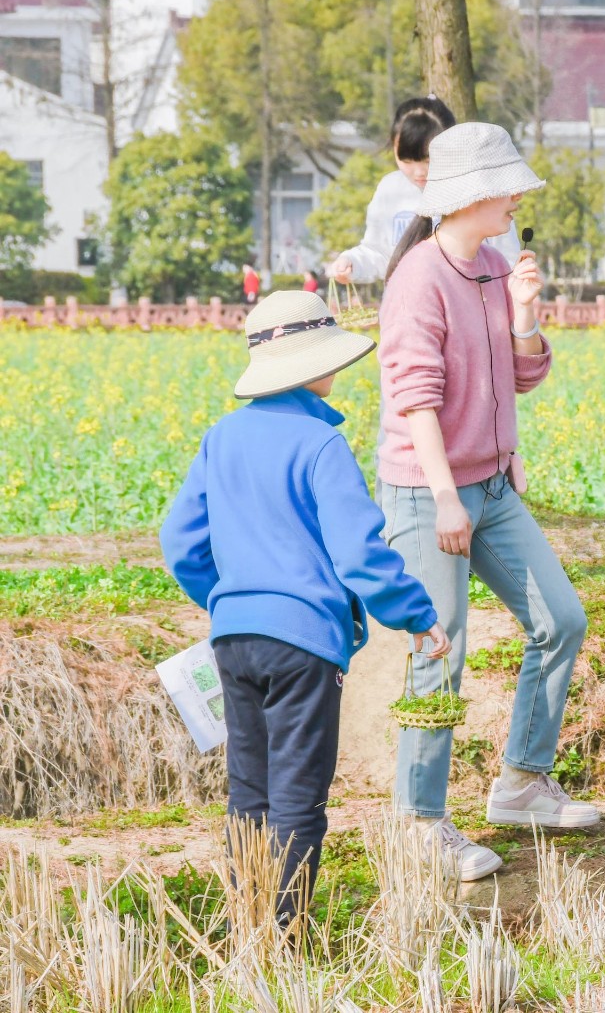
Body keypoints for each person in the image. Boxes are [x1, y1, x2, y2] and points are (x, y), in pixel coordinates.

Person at [159, 290, 449, 924]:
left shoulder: (221, 437)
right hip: (303, 646)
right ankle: (284, 931)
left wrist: (230, 598)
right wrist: (417, 614)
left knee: (250, 789)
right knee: (296, 796)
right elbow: (359, 554)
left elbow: (179, 542)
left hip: (233, 639)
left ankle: (249, 920)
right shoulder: (321, 446)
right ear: (315, 364)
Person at [378, 122, 593, 882]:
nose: (519, 196)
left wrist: (526, 314)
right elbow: (416, 401)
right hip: (426, 490)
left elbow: (523, 377)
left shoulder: (495, 264)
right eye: (509, 185)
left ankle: (521, 783)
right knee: (439, 649)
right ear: (473, 194)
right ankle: (421, 820)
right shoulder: (417, 280)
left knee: (560, 619)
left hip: (494, 484)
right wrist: (444, 499)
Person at [325, 97, 518, 287]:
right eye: (407, 161)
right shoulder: (390, 188)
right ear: (393, 146)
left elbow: (507, 261)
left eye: (428, 161)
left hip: (469, 309)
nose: (418, 172)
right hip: (407, 308)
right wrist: (353, 262)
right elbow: (379, 253)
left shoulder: (480, 193)